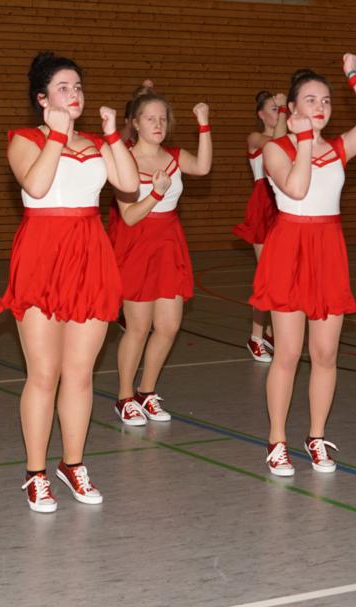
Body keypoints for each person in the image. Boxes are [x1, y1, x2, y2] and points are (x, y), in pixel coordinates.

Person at [0, 52, 138, 512]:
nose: (74, 94)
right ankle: (35, 473)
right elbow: (36, 187)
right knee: (43, 373)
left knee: (79, 373)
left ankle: (73, 464)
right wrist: (56, 134)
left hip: (90, 254)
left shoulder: (95, 142)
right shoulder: (24, 139)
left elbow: (129, 185)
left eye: (77, 87)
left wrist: (112, 135)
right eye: (63, 88)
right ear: (42, 99)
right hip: (42, 254)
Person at [252, 55, 356, 476]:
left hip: (328, 250)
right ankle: (277, 441)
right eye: (310, 100)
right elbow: (296, 188)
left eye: (326, 100)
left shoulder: (340, 149)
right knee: (288, 353)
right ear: (291, 108)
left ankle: (316, 436)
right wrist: (305, 140)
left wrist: (353, 76)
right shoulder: (275, 149)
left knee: (325, 353)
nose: (321, 106)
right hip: (289, 248)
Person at [109, 92, 211, 426]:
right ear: (135, 123)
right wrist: (156, 193)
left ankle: (146, 392)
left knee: (168, 327)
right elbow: (129, 217)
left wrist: (204, 125)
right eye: (150, 118)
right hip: (137, 245)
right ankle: (124, 397)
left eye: (163, 119)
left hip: (169, 244)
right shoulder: (123, 160)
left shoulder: (175, 157)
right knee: (138, 328)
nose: (158, 124)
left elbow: (203, 167)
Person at [235, 90, 289, 362]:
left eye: (280, 108)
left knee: (285, 275)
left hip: (285, 202)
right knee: (267, 275)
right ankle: (255, 337)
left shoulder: (288, 137)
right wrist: (285, 111)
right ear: (261, 114)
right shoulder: (255, 137)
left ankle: (270, 332)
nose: (278, 112)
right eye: (273, 108)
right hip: (264, 203)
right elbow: (277, 143)